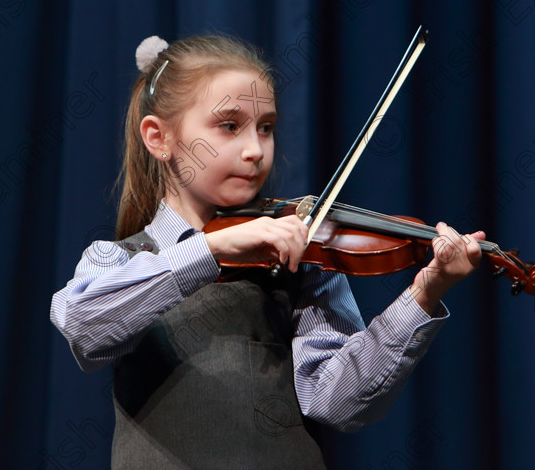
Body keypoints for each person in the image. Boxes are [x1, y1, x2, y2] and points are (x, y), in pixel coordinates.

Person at [50, 34, 485, 469]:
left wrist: (424, 295)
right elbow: (85, 331)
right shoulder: (117, 258)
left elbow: (338, 402)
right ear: (158, 137)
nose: (255, 150)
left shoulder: (297, 257)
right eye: (228, 125)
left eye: (266, 127)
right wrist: (211, 249)